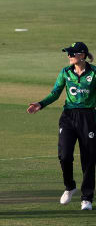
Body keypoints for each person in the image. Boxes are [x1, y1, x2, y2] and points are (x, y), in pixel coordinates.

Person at [27, 42, 96, 211]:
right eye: (68, 53)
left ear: (82, 55)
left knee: (89, 158)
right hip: (68, 117)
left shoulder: (94, 73)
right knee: (64, 155)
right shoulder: (65, 72)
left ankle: (87, 197)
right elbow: (55, 92)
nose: (69, 56)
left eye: (72, 53)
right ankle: (70, 186)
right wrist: (40, 104)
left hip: (88, 117)